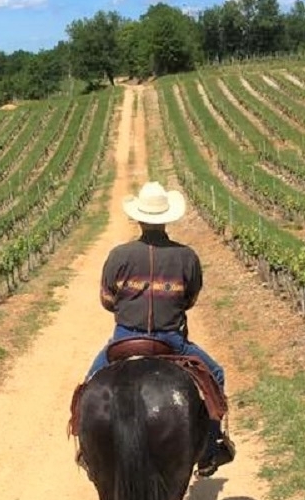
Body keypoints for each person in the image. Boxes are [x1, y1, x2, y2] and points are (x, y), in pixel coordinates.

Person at [86, 180, 235, 475]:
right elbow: (190, 299)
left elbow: (107, 300)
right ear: (167, 219)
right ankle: (209, 448)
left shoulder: (118, 255)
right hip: (171, 341)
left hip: (125, 338)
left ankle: (86, 449)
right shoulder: (187, 257)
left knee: (89, 384)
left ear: (139, 219)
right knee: (215, 374)